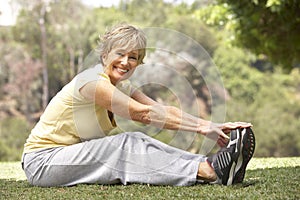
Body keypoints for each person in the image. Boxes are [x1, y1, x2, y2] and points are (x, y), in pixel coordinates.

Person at [22, 23, 255, 187]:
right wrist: (201, 129)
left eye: (133, 57)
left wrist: (212, 125)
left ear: (138, 62)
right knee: (126, 142)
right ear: (104, 55)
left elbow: (162, 111)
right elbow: (142, 114)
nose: (125, 62)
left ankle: (210, 165)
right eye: (119, 53)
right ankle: (208, 172)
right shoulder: (91, 82)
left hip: (66, 157)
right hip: (43, 162)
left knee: (138, 140)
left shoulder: (121, 86)